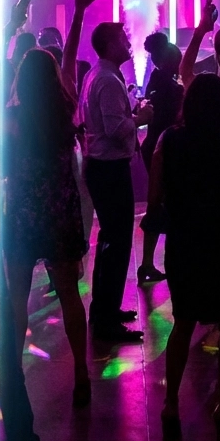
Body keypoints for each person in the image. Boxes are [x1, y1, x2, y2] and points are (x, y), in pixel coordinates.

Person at [1, 0, 97, 441]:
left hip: (22, 213)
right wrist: (77, 15)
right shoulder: (66, 109)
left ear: (19, 77)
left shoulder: (12, 118)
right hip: (58, 212)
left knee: (17, 297)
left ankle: (12, 374)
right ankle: (81, 371)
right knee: (69, 296)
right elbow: (72, 57)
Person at [151, 73, 220, 441]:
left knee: (182, 323)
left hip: (184, 243)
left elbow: (154, 196)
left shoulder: (168, 140)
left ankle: (170, 403)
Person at [78, 20, 153, 342]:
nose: (128, 43)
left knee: (113, 242)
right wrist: (140, 119)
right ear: (110, 45)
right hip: (109, 169)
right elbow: (113, 127)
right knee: (116, 243)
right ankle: (106, 319)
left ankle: (104, 309)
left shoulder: (101, 74)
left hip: (103, 167)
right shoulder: (107, 79)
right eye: (123, 39)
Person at [136, 31, 183, 284]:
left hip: (154, 146)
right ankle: (154, 263)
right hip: (163, 149)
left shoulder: (156, 80)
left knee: (157, 205)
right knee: (163, 206)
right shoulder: (170, 86)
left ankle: (147, 263)